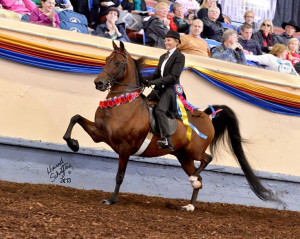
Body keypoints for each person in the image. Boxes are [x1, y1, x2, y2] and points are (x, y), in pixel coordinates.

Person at [144, 30, 185, 151]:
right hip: (160, 88)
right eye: (165, 40)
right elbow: (157, 74)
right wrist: (144, 80)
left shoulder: (179, 57)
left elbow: (172, 77)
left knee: (160, 110)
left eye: (168, 40)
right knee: (144, 102)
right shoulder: (163, 56)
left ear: (176, 42)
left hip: (170, 89)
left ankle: (167, 139)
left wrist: (154, 82)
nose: (166, 42)